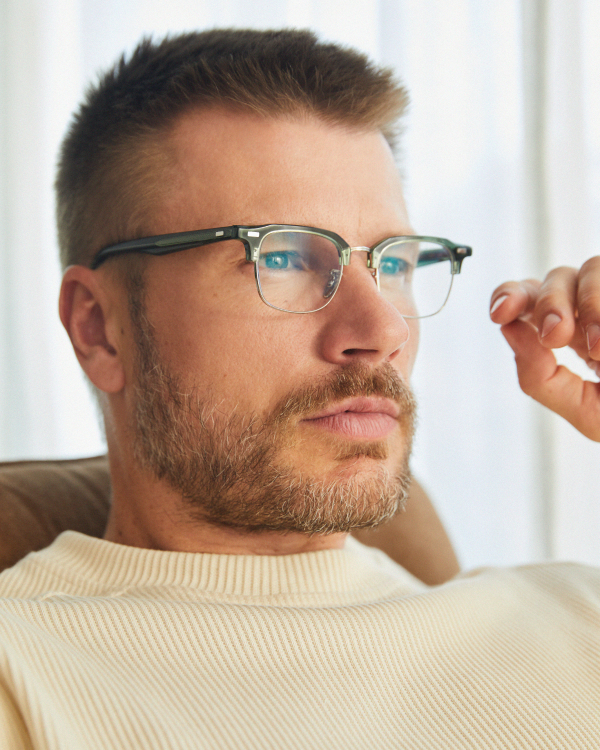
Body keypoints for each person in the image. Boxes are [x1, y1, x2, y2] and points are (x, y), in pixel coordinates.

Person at [1, 28, 599, 749]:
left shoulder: (576, 614)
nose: (381, 330)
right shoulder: (24, 668)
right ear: (100, 328)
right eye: (281, 256)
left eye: (394, 262)